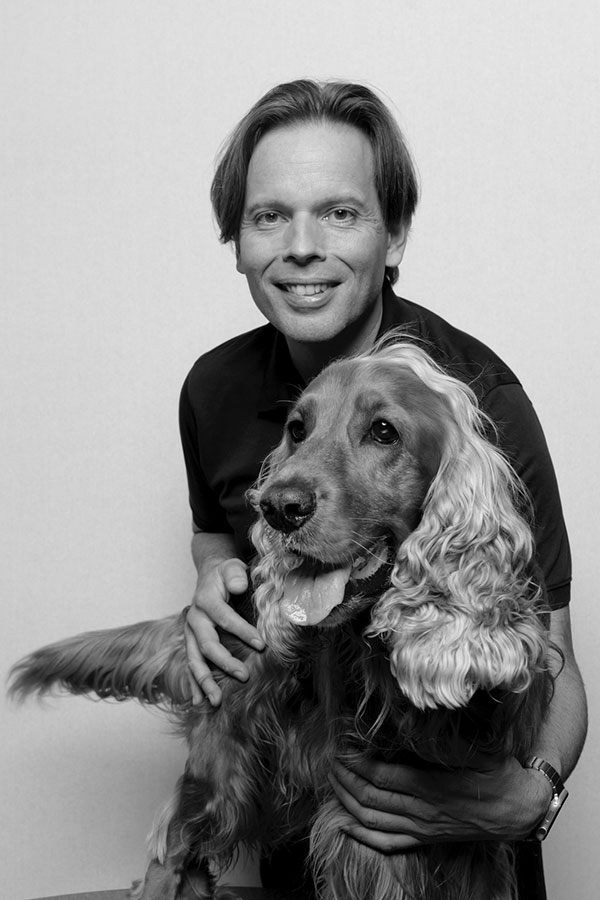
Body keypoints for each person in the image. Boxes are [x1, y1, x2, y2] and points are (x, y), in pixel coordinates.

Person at [179, 79, 587, 898]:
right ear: (237, 242)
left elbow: (558, 662)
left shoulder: (481, 404)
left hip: (460, 848)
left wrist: (532, 794)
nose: (302, 246)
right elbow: (216, 547)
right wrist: (213, 585)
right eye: (269, 216)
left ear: (393, 234)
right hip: (305, 837)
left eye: (340, 213)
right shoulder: (212, 391)